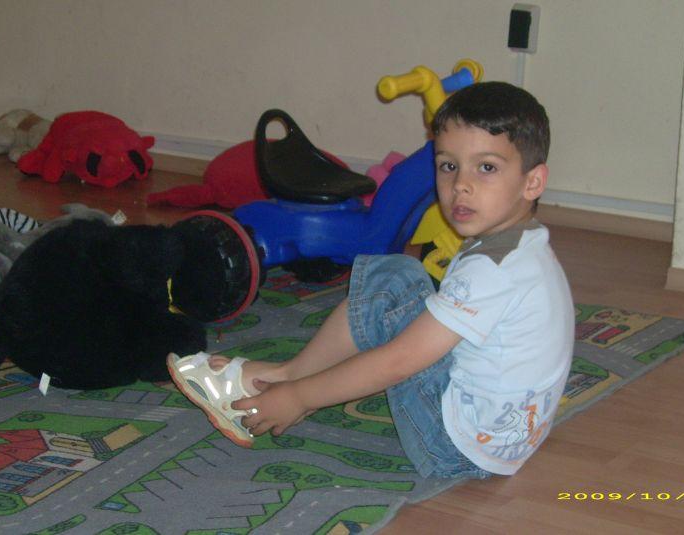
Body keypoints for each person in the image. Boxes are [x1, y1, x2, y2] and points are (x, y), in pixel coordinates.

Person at [167, 81, 575, 478]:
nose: (461, 185)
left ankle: (287, 385)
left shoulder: (491, 268)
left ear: (533, 181)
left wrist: (299, 399)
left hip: (453, 444)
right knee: (402, 277)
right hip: (503, 439)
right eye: (448, 166)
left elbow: (399, 361)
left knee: (392, 283)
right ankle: (287, 375)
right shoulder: (525, 245)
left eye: (486, 167)